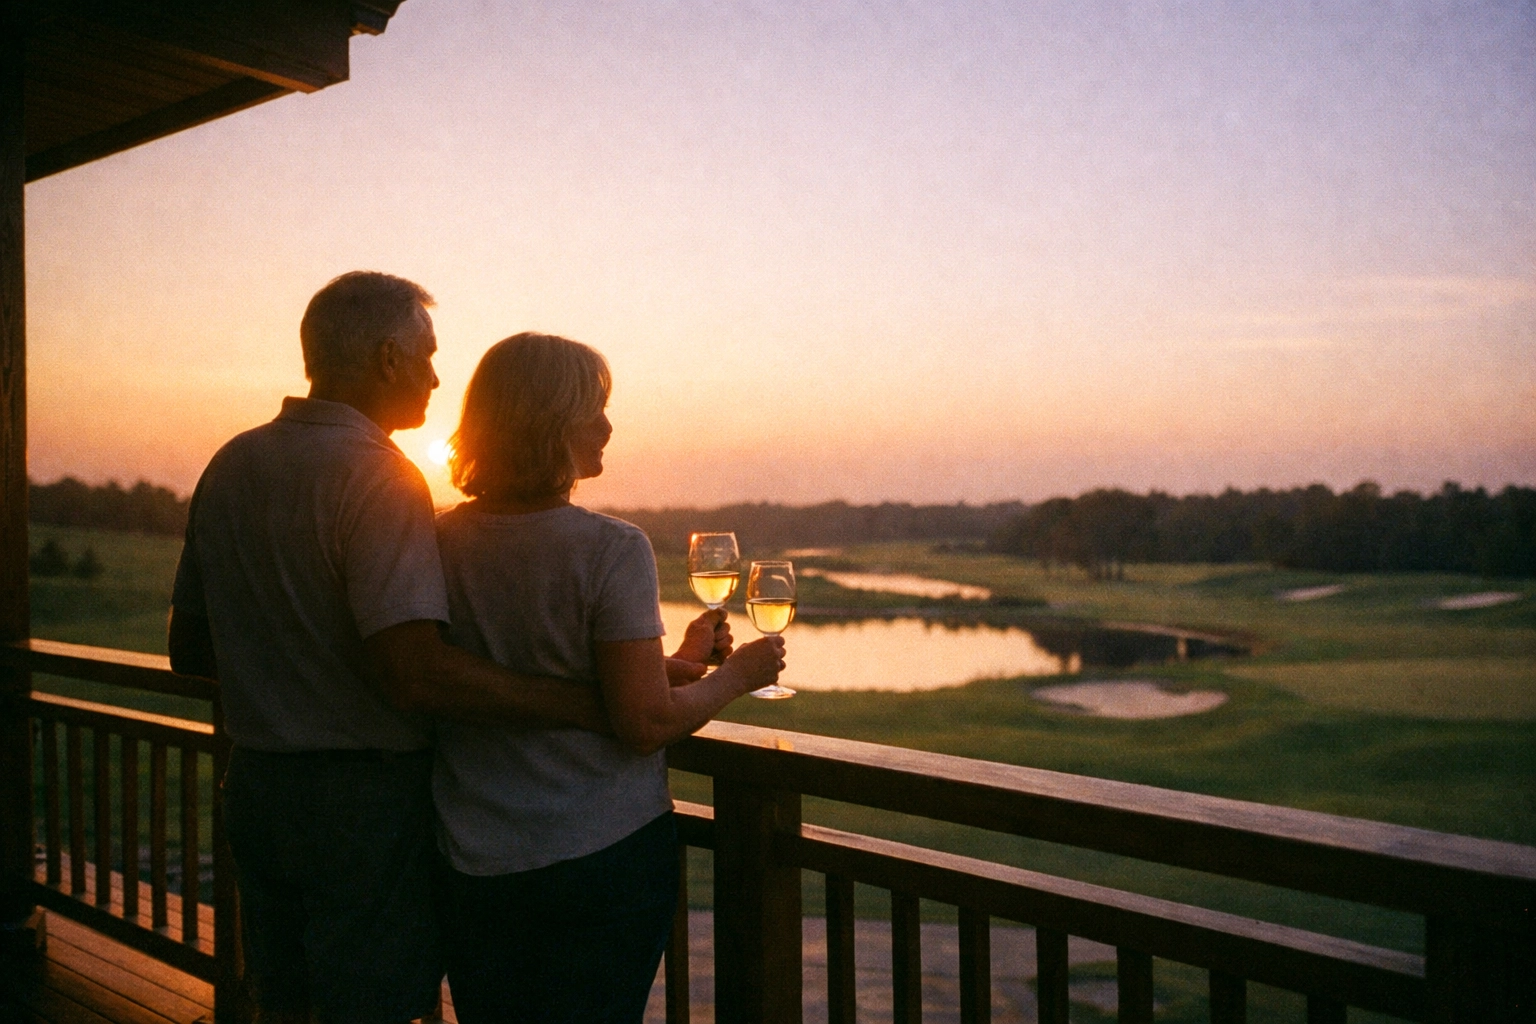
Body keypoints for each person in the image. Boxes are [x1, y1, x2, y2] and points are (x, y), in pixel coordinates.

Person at [166, 273, 621, 1024]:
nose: (438, 376)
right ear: (387, 357)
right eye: (427, 355)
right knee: (376, 1005)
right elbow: (413, 672)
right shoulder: (380, 475)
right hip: (361, 804)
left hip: (254, 785)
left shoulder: (232, 462)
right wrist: (585, 704)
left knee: (283, 1000)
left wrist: (288, 678)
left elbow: (189, 647)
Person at [432, 332, 786, 1024]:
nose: (607, 425)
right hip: (596, 861)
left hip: (473, 861)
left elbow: (528, 660)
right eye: (592, 409)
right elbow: (644, 722)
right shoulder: (610, 548)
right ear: (548, 422)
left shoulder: (438, 542)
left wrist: (680, 661)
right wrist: (735, 676)